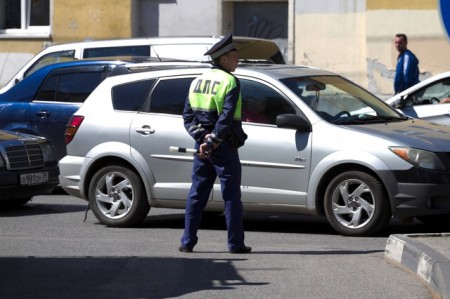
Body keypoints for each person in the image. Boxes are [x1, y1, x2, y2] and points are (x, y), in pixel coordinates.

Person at [179, 33, 251, 254]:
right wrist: (211, 142)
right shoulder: (230, 81)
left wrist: (202, 140)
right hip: (223, 147)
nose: (237, 59)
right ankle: (235, 244)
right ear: (223, 59)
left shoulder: (197, 81)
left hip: (204, 148)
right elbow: (226, 119)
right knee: (231, 197)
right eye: (234, 55)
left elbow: (187, 116)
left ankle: (187, 242)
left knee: (197, 194)